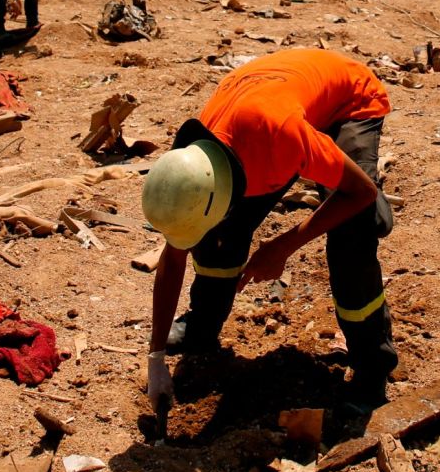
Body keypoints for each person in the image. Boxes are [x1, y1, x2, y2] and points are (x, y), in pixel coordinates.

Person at [142, 49, 396, 418]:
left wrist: (282, 246)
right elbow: (174, 253)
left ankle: (372, 366)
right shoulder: (191, 167)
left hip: (347, 101)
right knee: (218, 230)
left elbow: (360, 192)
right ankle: (202, 326)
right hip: (282, 104)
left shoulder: (279, 135)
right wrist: (156, 358)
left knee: (351, 232)